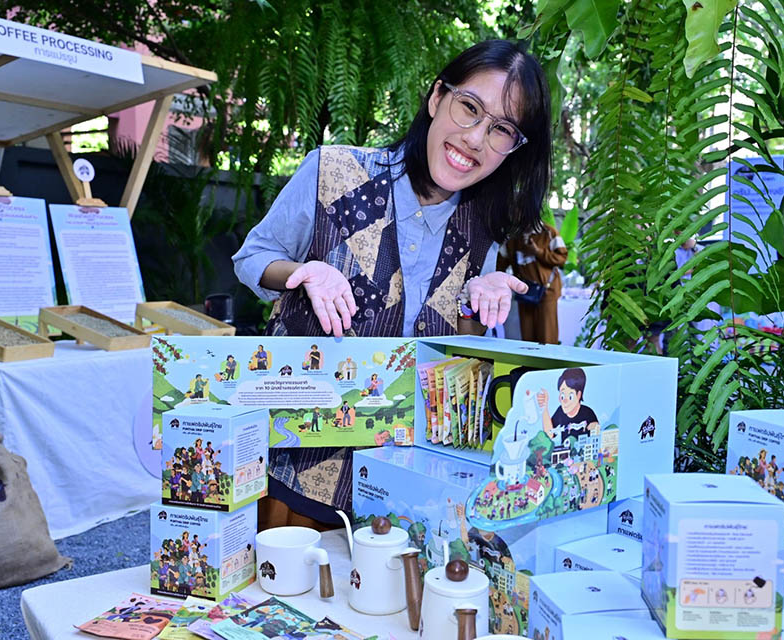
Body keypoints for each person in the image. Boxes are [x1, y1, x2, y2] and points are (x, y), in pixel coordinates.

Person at [233, 39, 551, 525]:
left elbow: (456, 361)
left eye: (501, 129)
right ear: (437, 97)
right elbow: (252, 257)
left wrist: (475, 303)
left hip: (403, 487)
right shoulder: (333, 172)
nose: (475, 138)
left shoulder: (482, 226)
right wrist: (302, 273)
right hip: (295, 472)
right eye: (470, 108)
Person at [497, 222, 567, 343]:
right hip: (524, 291)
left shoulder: (549, 232)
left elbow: (562, 258)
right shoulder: (512, 236)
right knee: (527, 336)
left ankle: (547, 355)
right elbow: (500, 264)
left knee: (547, 336)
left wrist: (538, 252)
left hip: (547, 291)